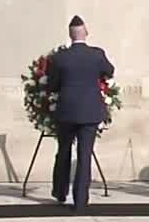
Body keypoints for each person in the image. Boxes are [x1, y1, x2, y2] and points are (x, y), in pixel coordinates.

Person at [47, 15, 115, 210]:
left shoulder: (60, 57)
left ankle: (60, 192)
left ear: (70, 35)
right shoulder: (96, 54)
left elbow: (52, 85)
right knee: (84, 155)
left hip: (67, 111)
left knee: (63, 151)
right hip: (90, 111)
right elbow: (109, 71)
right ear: (86, 32)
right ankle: (80, 200)